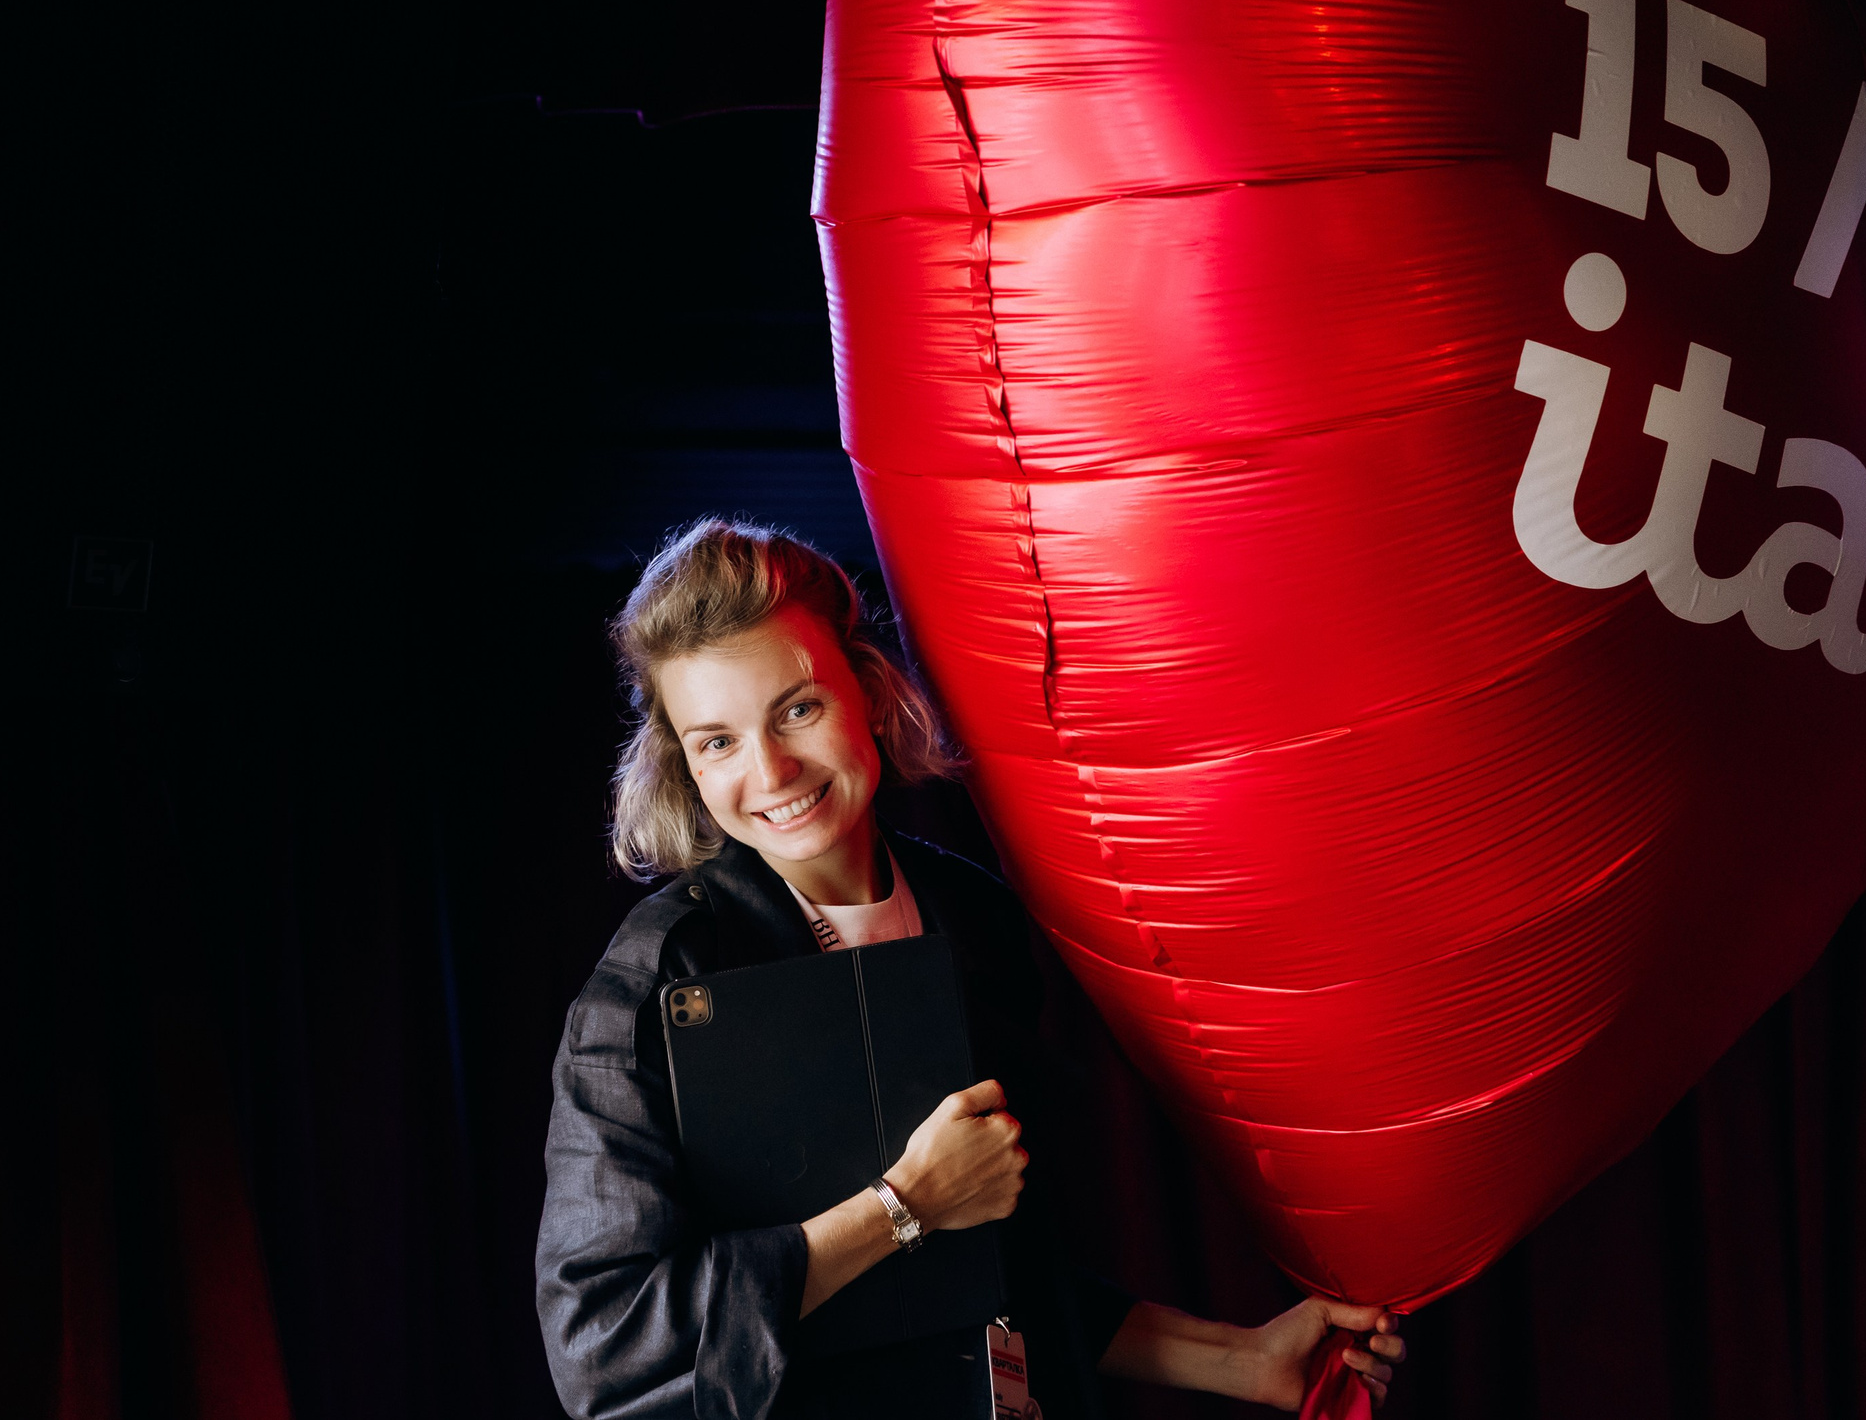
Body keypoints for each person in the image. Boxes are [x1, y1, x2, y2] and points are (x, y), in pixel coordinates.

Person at [536, 517, 1407, 1419]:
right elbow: (604, 1343)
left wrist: (1243, 1358)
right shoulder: (654, 988)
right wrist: (901, 1205)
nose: (772, 770)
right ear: (685, 764)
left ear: (869, 693)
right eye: (717, 741)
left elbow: (995, 1274)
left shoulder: (976, 917)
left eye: (799, 709)